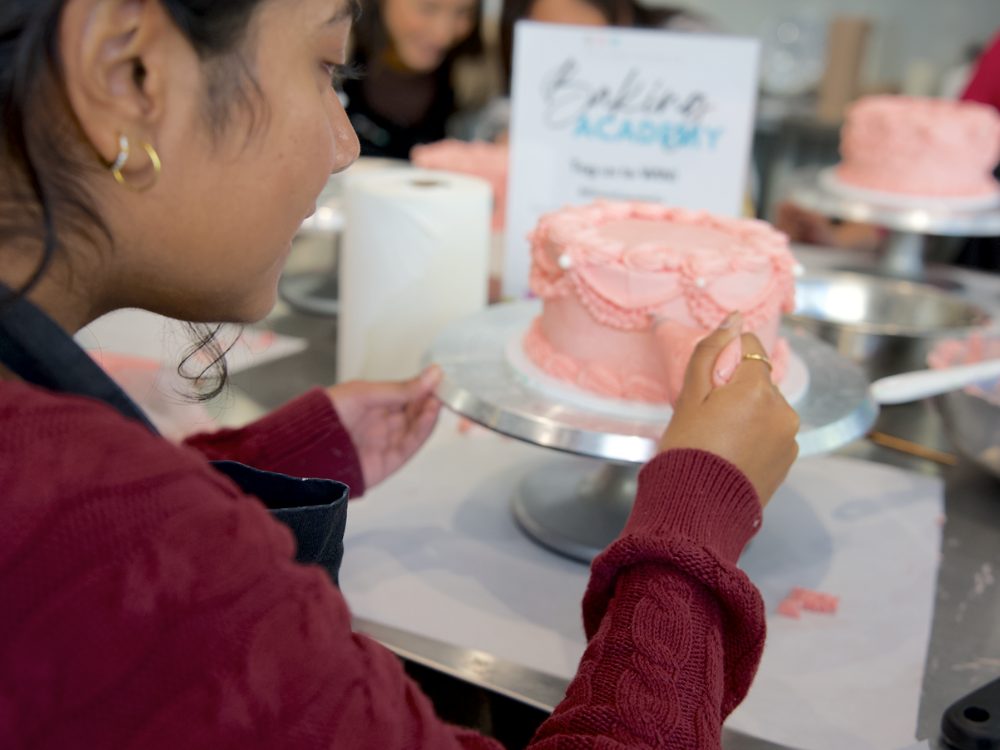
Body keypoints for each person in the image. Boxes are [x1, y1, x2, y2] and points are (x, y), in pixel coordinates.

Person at [0, 1, 799, 748]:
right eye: (325, 69)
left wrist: (257, 467)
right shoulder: (126, 554)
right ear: (125, 72)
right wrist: (693, 534)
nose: (347, 145)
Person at [343, 0, 483, 158]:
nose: (443, 36)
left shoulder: (476, 78)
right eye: (427, 8)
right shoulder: (333, 58)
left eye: (463, 12)